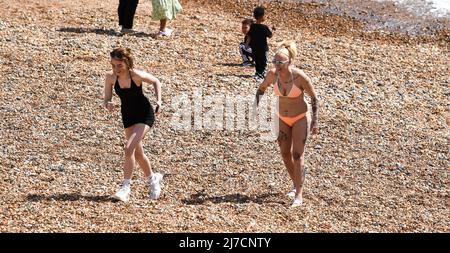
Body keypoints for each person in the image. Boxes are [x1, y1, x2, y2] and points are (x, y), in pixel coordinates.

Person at [254, 41, 319, 207]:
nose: (277, 65)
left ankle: (299, 195)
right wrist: (254, 109)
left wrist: (315, 120)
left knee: (297, 155)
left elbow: (314, 97)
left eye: (280, 62)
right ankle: (296, 183)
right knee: (285, 154)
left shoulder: (300, 77)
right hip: (281, 117)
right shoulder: (271, 75)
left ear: (289, 62)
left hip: (300, 118)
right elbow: (261, 89)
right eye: (274, 61)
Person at [104, 47, 163, 202]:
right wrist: (108, 104)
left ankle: (125, 188)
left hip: (144, 115)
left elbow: (155, 81)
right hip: (128, 116)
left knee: (128, 147)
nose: (116, 69)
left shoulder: (135, 75)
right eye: (113, 65)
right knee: (137, 154)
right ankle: (153, 179)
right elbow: (107, 98)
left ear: (127, 63)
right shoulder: (110, 78)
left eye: (119, 65)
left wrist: (159, 101)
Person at [246, 6, 273, 81]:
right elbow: (270, 35)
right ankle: (261, 73)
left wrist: (247, 45)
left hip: (254, 47)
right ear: (262, 17)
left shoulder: (252, 26)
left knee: (257, 60)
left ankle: (258, 72)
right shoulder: (264, 27)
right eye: (265, 15)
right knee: (263, 61)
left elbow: (249, 36)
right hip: (263, 48)